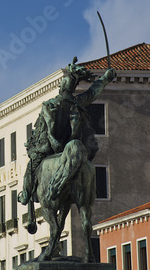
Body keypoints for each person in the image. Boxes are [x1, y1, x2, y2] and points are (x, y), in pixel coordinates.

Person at [18, 57, 116, 205]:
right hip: (71, 144)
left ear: (60, 88)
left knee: (31, 167)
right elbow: (93, 92)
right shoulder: (77, 102)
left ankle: (25, 195)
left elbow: (47, 128)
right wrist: (105, 78)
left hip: (49, 146)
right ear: (72, 89)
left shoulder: (50, 105)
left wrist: (51, 141)